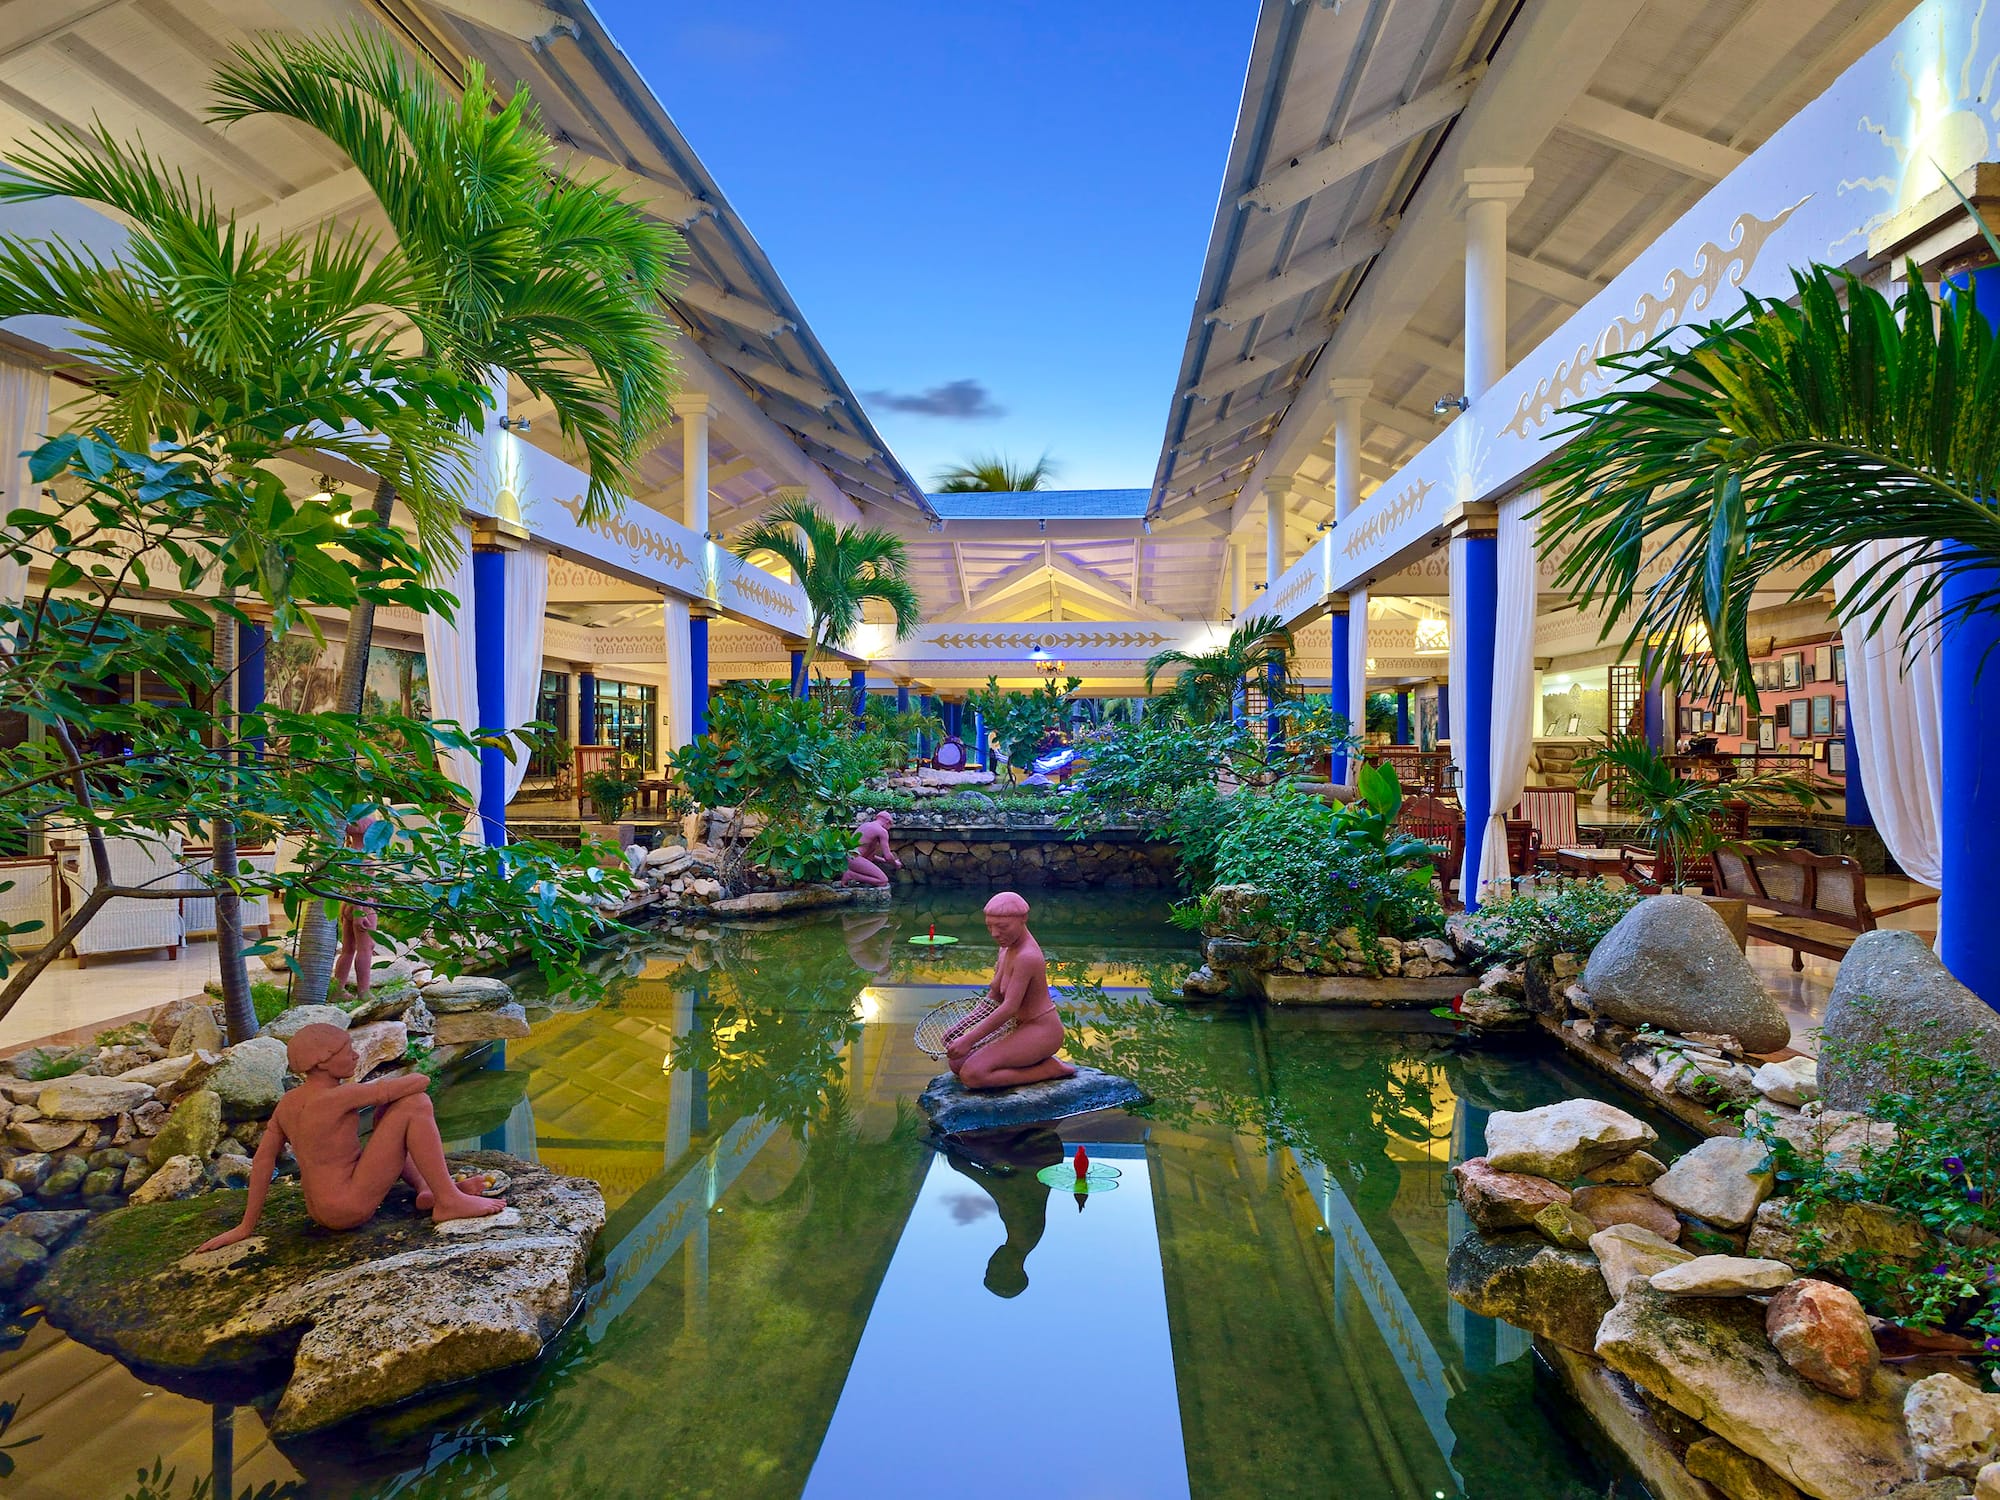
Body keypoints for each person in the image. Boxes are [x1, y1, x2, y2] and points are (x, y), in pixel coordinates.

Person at [194, 1022, 505, 1251]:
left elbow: (262, 1160)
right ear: (322, 1063)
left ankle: (430, 1189)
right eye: (348, 1051)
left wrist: (247, 1225)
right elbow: (419, 1083)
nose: (356, 1055)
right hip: (349, 1206)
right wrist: (415, 1072)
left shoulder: (288, 1103)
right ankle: (448, 1200)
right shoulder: (340, 1096)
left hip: (323, 1211)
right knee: (415, 1104)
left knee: (389, 1112)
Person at [943, 891, 1076, 1088]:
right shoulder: (1005, 949)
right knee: (957, 1063)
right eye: (990, 927)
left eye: (1002, 927)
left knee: (972, 1075)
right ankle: (1027, 1061)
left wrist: (969, 1039)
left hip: (1042, 1031)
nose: (995, 933)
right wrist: (961, 1027)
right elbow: (994, 997)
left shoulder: (1027, 957)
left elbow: (1009, 1007)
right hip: (1018, 1026)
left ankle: (1047, 1070)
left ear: (1023, 919)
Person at [332, 812, 381, 1001]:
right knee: (365, 948)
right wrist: (362, 912)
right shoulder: (362, 854)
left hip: (349, 904)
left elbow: (351, 885)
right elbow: (357, 885)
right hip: (363, 905)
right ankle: (363, 991)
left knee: (348, 949)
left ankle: (338, 989)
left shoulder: (349, 850)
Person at [841, 808, 903, 888]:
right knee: (883, 881)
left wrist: (886, 861)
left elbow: (871, 856)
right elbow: (888, 856)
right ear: (888, 822)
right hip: (855, 858)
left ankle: (853, 875)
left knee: (870, 856)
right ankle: (851, 875)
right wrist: (895, 864)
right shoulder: (882, 831)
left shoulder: (865, 825)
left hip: (847, 858)